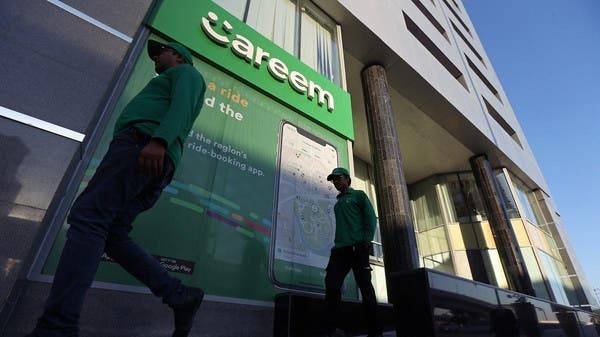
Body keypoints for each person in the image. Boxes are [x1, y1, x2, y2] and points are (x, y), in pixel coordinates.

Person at [27, 40, 207, 337]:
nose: (155, 59)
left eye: (159, 52)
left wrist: (159, 140)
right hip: (147, 152)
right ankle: (179, 295)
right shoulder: (170, 77)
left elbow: (181, 107)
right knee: (111, 233)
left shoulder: (186, 74)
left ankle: (57, 327)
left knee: (88, 218)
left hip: (143, 146)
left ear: (176, 54)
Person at [324, 167, 382, 337]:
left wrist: (366, 240)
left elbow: (370, 217)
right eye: (333, 179)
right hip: (340, 251)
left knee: (366, 289)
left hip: (358, 248)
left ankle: (375, 332)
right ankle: (332, 329)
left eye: (338, 178)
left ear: (348, 179)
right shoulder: (337, 204)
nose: (335, 181)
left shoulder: (359, 196)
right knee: (332, 285)